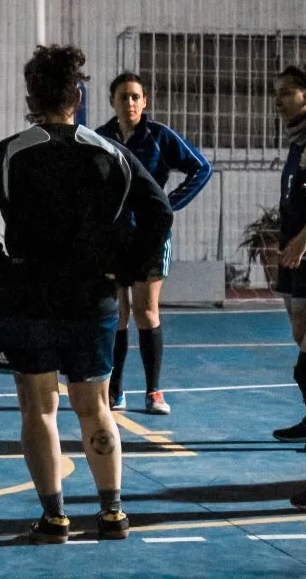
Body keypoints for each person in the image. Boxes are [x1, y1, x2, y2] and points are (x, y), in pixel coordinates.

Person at [0, 45, 172, 544]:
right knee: (95, 406)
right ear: (79, 94)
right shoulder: (108, 152)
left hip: (28, 294)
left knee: (39, 408)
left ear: (31, 96)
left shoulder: (12, 151)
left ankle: (55, 517)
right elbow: (159, 209)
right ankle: (112, 513)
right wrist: (127, 266)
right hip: (92, 295)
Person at [95, 72, 212, 415]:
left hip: (150, 237)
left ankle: (154, 391)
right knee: (117, 314)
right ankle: (115, 392)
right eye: (123, 97)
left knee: (147, 312)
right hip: (113, 239)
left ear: (145, 101)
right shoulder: (100, 139)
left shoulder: (160, 137)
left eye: (135, 97)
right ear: (112, 101)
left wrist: (169, 204)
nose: (129, 103)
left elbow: (201, 168)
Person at [270, 66, 306, 479]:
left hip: (304, 249)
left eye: (286, 93)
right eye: (276, 93)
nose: (278, 101)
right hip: (293, 251)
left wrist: (303, 239)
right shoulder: (296, 141)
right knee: (300, 335)